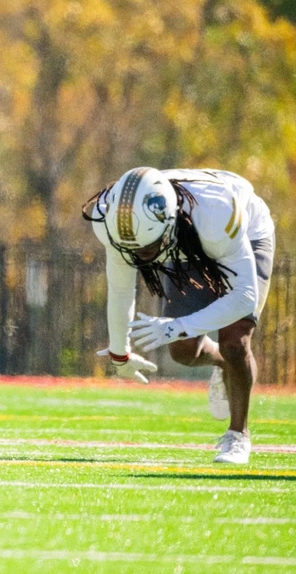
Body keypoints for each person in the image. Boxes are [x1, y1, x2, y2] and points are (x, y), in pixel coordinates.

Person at [83, 167, 275, 464]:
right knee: (184, 351)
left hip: (243, 236)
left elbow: (243, 297)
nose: (140, 256)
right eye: (133, 250)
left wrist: (178, 325)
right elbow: (121, 289)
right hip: (187, 243)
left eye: (148, 248)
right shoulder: (111, 218)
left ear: (170, 222)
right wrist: (120, 353)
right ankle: (223, 365)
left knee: (235, 342)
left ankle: (238, 435)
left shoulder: (217, 213)